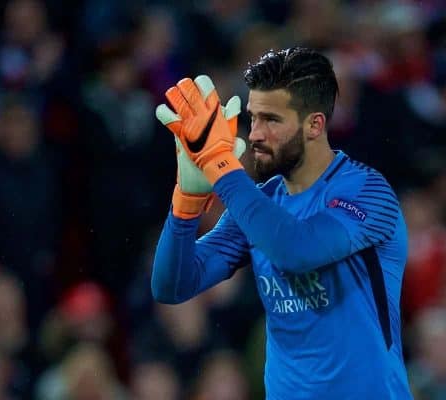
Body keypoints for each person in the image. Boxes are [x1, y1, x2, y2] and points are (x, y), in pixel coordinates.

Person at [151, 47, 413, 399]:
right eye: (253, 117)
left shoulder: (367, 193)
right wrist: (187, 201)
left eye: (271, 120)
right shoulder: (262, 202)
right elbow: (172, 285)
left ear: (315, 125)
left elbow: (297, 249)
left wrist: (219, 164)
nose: (255, 134)